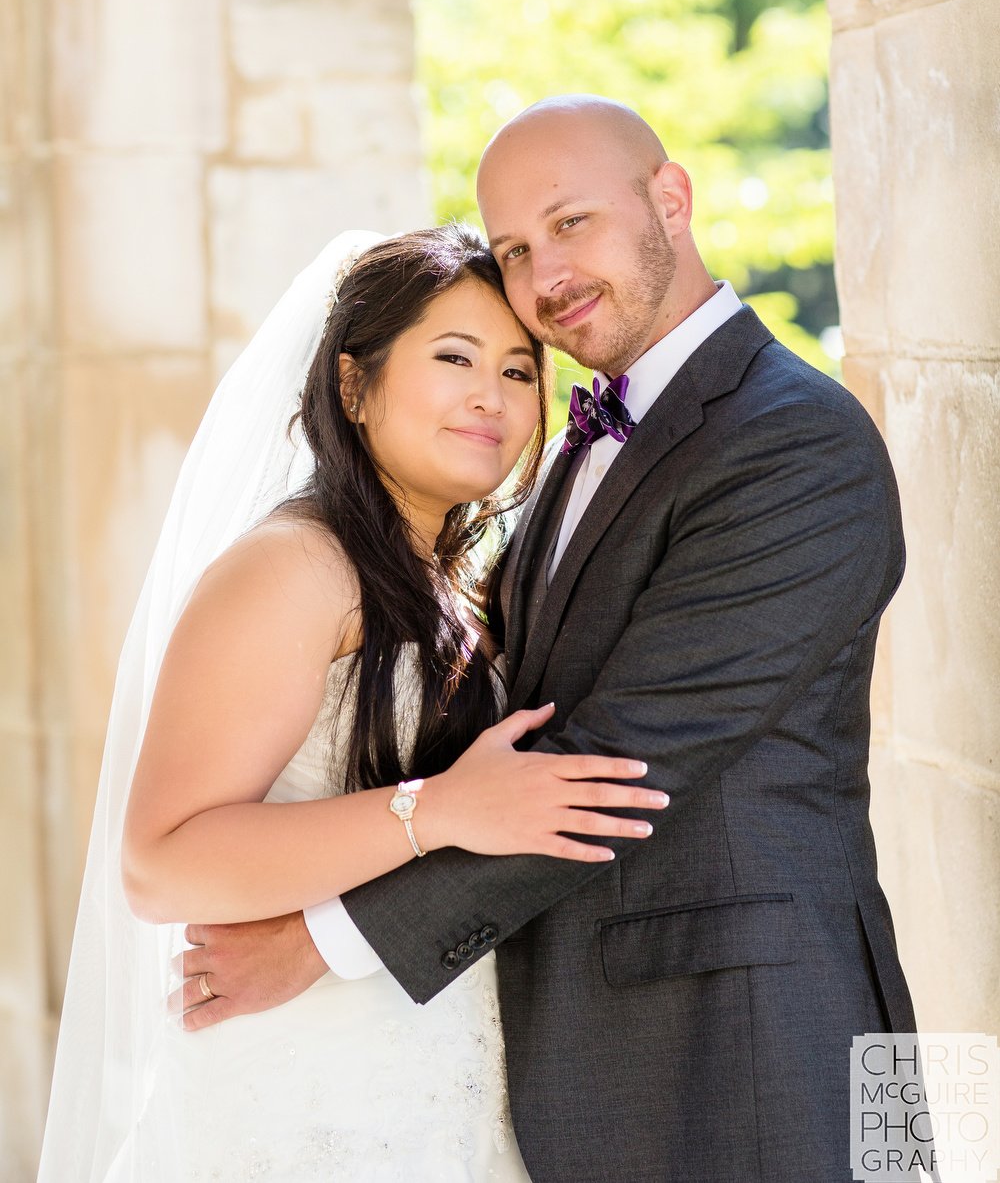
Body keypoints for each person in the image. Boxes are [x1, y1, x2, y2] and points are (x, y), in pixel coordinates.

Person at [190, 96, 918, 1183]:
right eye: (517, 248)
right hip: (602, 1042)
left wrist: (317, 943)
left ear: (669, 198)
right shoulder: (586, 441)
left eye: (571, 222)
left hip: (761, 1037)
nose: (545, 278)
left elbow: (614, 766)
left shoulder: (793, 439)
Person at [37, 222, 670, 1183]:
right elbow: (161, 865)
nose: (490, 398)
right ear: (353, 386)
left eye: (515, 370)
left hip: (438, 1069)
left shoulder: (453, 584)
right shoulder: (294, 568)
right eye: (453, 357)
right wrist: (441, 808)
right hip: (307, 1094)